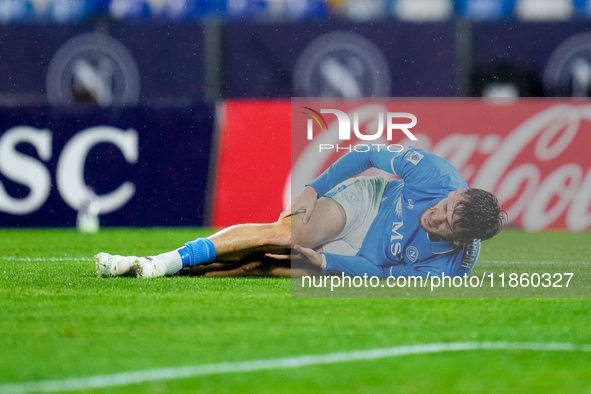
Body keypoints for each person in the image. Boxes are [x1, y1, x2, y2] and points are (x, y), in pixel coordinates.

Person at [95, 146, 507, 279]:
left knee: (267, 266)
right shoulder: (438, 174)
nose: (437, 214)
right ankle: (160, 262)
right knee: (286, 237)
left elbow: (382, 275)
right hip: (369, 202)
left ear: (459, 239)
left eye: (447, 222)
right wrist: (313, 189)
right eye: (446, 206)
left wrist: (329, 262)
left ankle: (167, 269)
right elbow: (366, 154)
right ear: (458, 193)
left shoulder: (449, 266)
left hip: (365, 257)